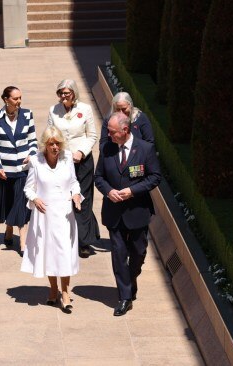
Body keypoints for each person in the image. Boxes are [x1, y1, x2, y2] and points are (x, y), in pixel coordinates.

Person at [94, 112, 161, 316]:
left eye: (112, 132)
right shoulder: (107, 148)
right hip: (114, 212)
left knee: (138, 252)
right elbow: (99, 177)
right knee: (119, 254)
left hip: (138, 211)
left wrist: (133, 191)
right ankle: (124, 297)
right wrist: (109, 191)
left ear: (125, 130)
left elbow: (155, 177)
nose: (109, 135)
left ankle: (130, 280)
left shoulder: (145, 149)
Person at [21, 125, 81, 312]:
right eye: (51, 144)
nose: (55, 147)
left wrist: (77, 195)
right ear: (45, 145)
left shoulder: (68, 158)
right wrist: (35, 198)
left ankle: (65, 292)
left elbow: (73, 182)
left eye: (58, 144)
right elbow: (28, 188)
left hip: (64, 214)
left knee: (64, 252)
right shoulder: (36, 162)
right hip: (45, 214)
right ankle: (53, 289)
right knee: (49, 252)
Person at [47, 79, 100, 258]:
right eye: (60, 93)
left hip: (82, 161)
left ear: (74, 93)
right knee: (64, 198)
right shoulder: (53, 110)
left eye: (67, 93)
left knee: (82, 199)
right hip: (62, 160)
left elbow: (92, 135)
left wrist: (81, 152)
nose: (63, 97)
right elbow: (50, 134)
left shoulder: (85, 109)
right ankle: (65, 238)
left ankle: (84, 241)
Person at [0, 86, 37, 251]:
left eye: (20, 98)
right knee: (10, 202)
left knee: (21, 203)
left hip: (23, 169)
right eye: (15, 98)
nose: (19, 102)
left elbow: (33, 140)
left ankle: (23, 241)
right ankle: (9, 228)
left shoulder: (27, 114)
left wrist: (32, 154)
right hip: (5, 170)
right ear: (6, 99)